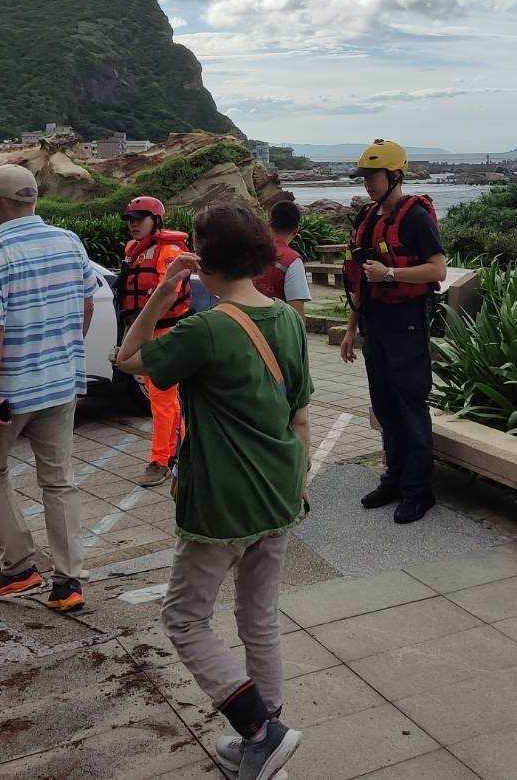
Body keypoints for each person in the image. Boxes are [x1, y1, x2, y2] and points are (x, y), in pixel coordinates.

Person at [115, 201, 311, 780]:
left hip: (222, 501)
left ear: (204, 259)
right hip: (280, 492)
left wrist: (162, 289)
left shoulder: (204, 329)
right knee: (259, 617)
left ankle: (257, 730)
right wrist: (295, 486)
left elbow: (126, 358)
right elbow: (300, 416)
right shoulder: (287, 320)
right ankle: (266, 736)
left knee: (183, 618)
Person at [0, 164, 99, 613]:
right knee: (59, 481)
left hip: (12, 389)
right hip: (60, 382)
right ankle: (68, 582)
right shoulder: (69, 241)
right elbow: (87, 302)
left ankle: (20, 564)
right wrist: (64, 352)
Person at [340, 139, 447, 525]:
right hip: (375, 324)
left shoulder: (415, 217)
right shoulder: (367, 217)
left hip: (406, 321)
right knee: (384, 405)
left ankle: (419, 491)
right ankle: (394, 479)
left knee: (410, 405)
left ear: (395, 175)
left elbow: (438, 270)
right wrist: (351, 329)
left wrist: (391, 274)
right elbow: (358, 280)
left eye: (373, 176)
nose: (367, 183)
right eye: (364, 177)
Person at [117, 195, 192, 487]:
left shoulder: (168, 251)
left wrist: (142, 330)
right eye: (130, 220)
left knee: (162, 398)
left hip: (167, 332)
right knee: (165, 399)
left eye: (140, 219)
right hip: (143, 331)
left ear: (156, 220)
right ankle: (186, 449)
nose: (133, 225)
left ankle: (161, 460)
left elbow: (170, 292)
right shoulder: (133, 250)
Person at [253, 200, 313, 316]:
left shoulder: (249, 251)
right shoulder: (292, 260)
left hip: (243, 325)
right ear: (296, 230)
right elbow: (297, 308)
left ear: (269, 224)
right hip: (275, 328)